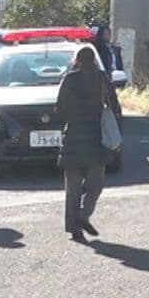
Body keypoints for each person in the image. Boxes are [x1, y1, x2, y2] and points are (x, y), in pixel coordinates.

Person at [54, 43, 122, 243]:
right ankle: (84, 215)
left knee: (72, 188)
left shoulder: (69, 79)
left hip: (73, 138)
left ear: (76, 61)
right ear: (93, 60)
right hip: (97, 139)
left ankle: (74, 228)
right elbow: (114, 107)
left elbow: (59, 110)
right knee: (95, 185)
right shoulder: (102, 79)